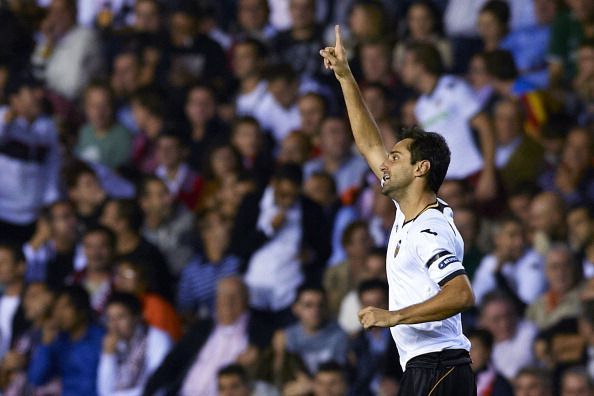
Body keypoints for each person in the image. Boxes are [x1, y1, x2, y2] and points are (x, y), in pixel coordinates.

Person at [320, 26, 476, 395]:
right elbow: (368, 142)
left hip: (439, 366)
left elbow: (461, 294)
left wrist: (394, 316)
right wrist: (345, 76)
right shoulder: (407, 212)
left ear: (421, 169)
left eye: (395, 157)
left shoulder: (429, 229)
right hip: (428, 367)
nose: (384, 164)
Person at [98, 292, 172, 396]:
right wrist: (108, 355)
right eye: (110, 319)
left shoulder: (157, 339)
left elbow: (157, 389)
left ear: (137, 317)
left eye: (121, 317)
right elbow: (104, 391)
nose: (114, 325)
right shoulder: (113, 343)